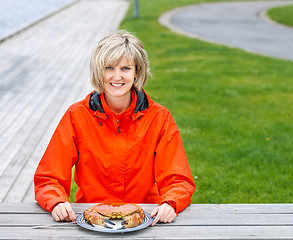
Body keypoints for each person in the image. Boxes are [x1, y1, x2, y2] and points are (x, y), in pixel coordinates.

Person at [34, 30, 196, 226]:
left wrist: (170, 204)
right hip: (91, 219)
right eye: (109, 67)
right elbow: (49, 176)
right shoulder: (77, 116)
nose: (117, 76)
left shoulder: (159, 118)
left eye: (125, 68)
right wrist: (56, 201)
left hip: (145, 219)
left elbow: (177, 179)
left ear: (137, 72)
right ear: (98, 71)